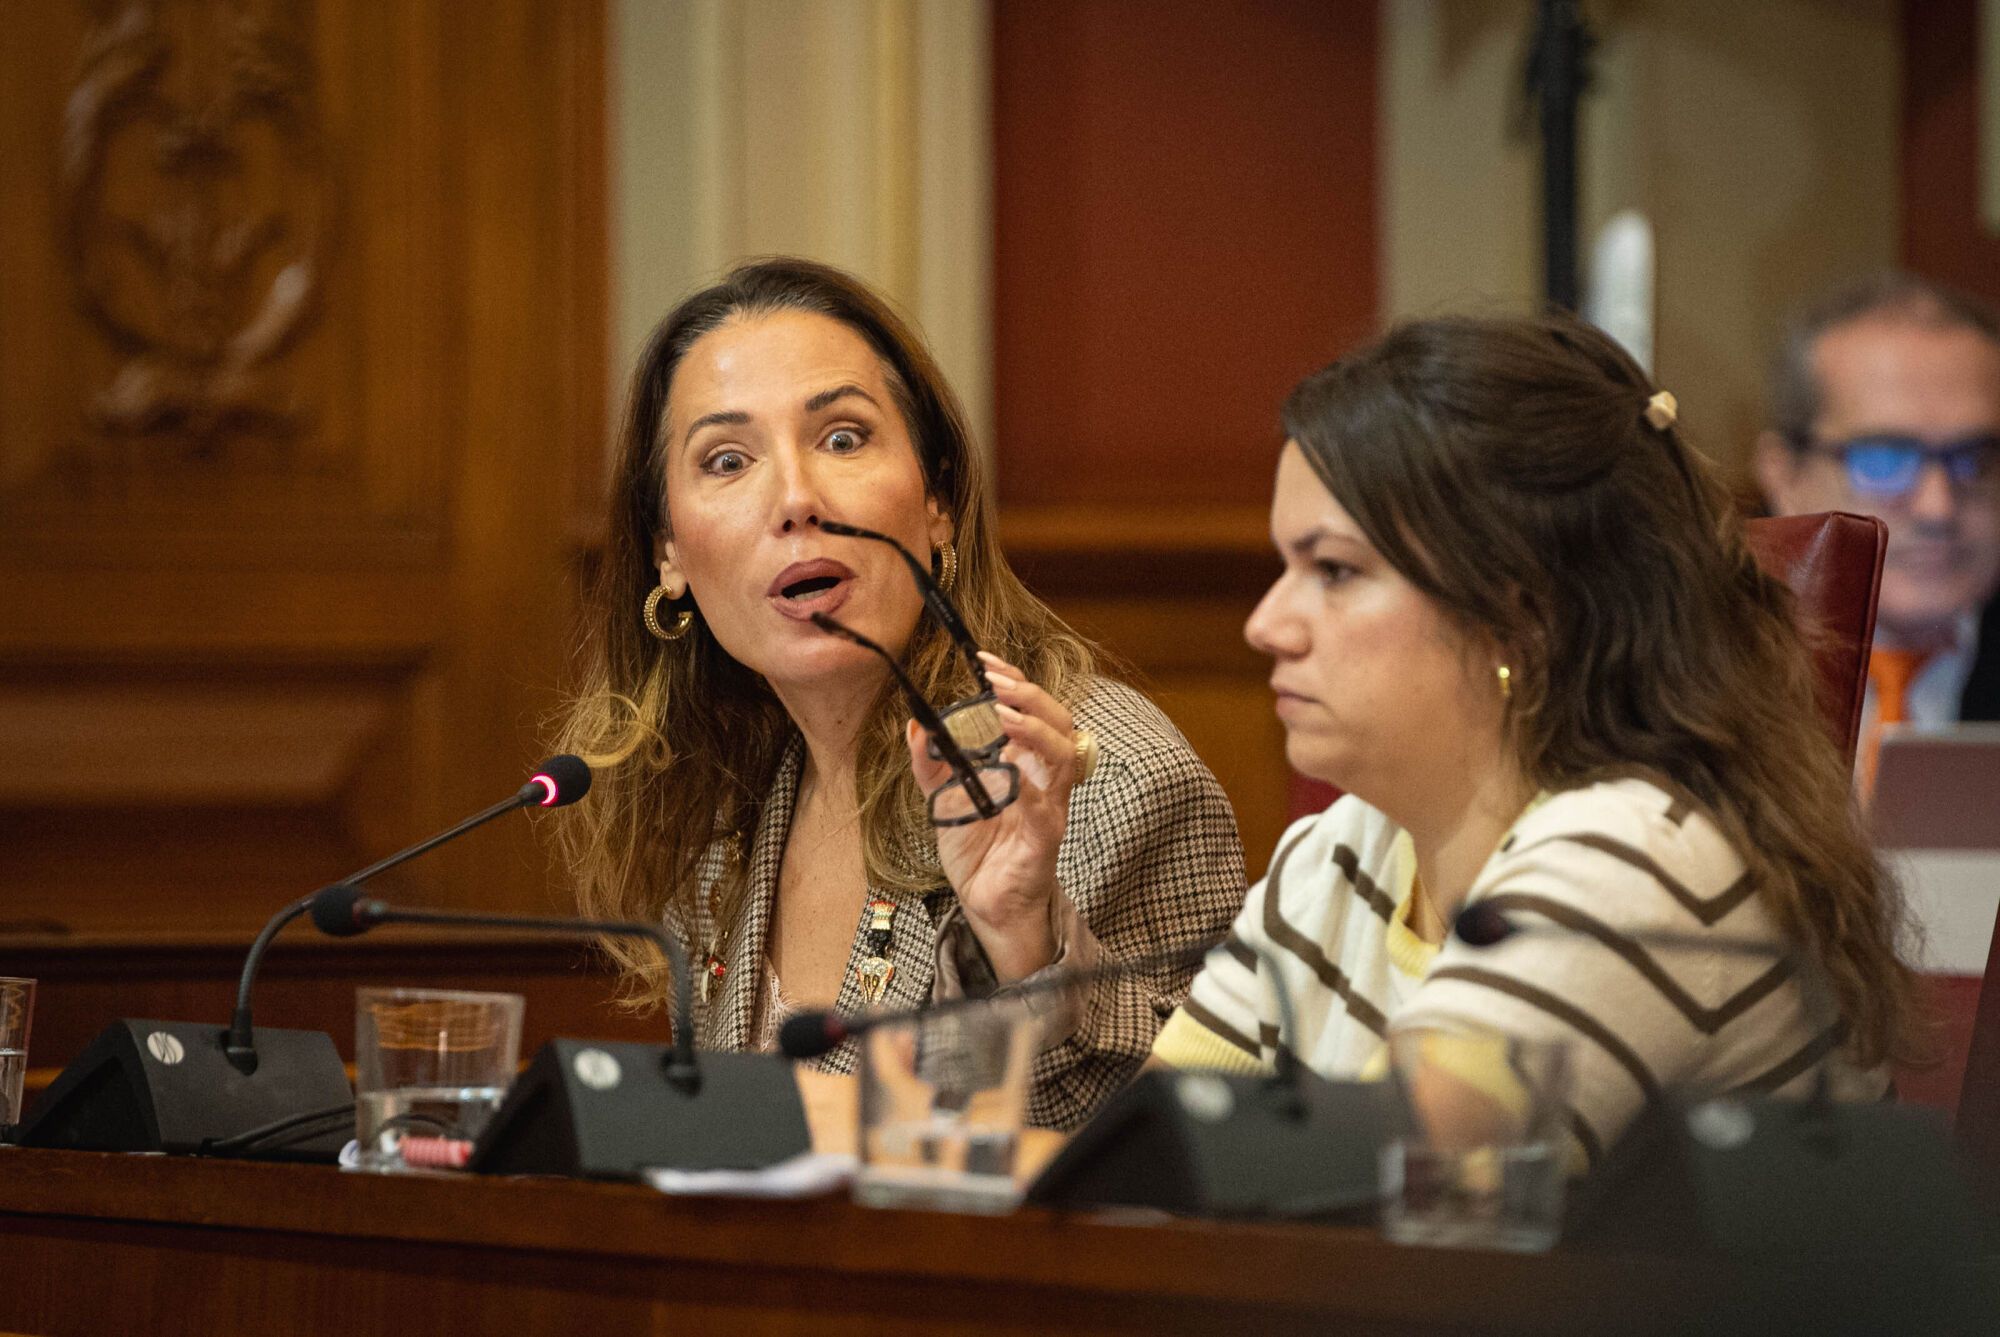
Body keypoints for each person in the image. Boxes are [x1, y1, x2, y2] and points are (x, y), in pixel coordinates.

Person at [1149, 312, 1920, 1166]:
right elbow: (1145, 1166)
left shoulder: (1640, 854)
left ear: (1523, 616)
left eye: (1334, 570)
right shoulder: (1340, 853)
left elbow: (1394, 1190)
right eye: (1284, 567)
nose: (1266, 624)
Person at [552, 257, 1244, 1130]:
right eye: (727, 460)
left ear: (937, 500)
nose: (796, 498)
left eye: (843, 439)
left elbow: (1157, 1155)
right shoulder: (720, 807)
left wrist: (1023, 944)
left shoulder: (1099, 779)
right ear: (670, 554)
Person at [1754, 273, 2000, 730]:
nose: (1938, 508)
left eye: (1974, 459)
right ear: (1785, 476)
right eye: (1884, 461)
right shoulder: (1693, 675)